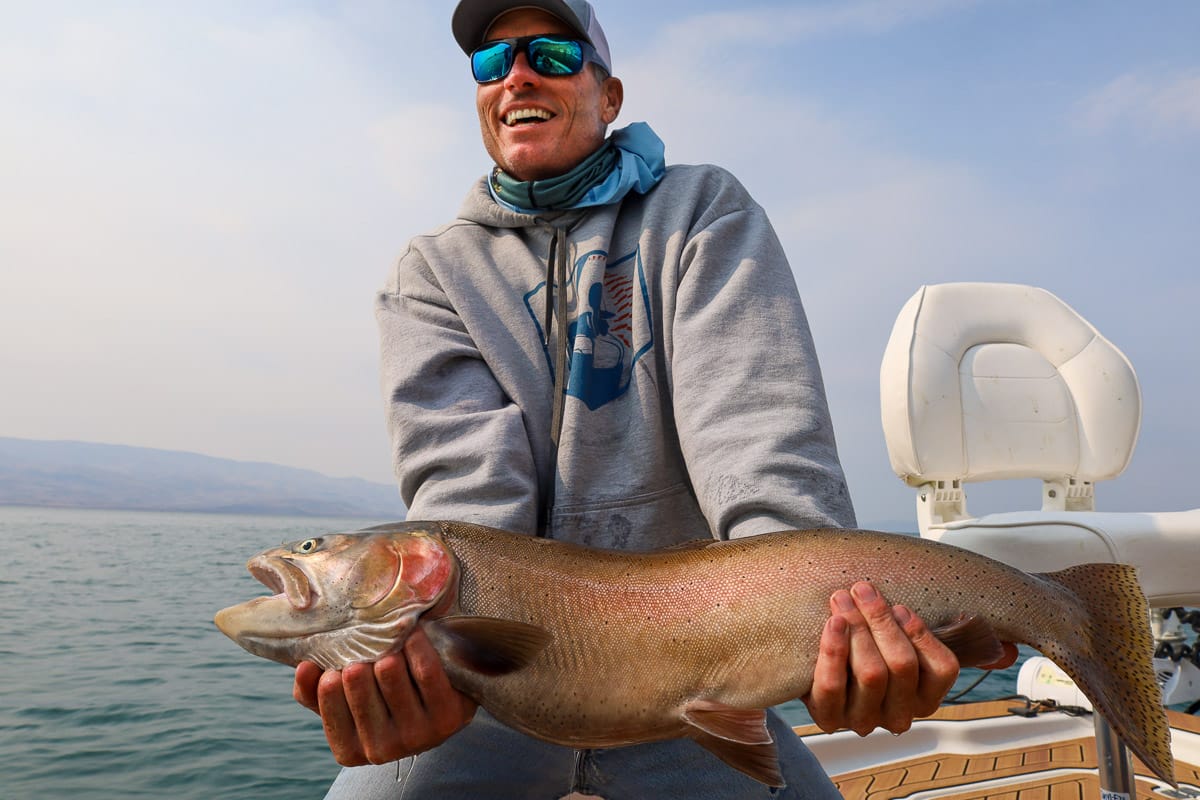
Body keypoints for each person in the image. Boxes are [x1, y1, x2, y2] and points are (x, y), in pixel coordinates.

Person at [294, 1, 1017, 797]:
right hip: (491, 695)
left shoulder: (704, 212)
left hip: (704, 677)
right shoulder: (429, 275)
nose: (518, 76)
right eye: (491, 64)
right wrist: (434, 658)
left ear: (610, 96)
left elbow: (760, 450)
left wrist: (828, 630)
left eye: (553, 56)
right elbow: (468, 509)